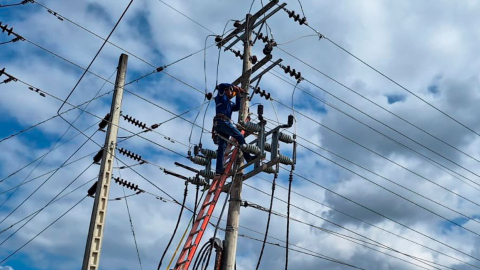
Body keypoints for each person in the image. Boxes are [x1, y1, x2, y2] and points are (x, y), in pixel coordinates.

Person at [213, 83, 255, 176]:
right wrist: (234, 86)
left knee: (222, 147)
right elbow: (221, 86)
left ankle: (219, 170)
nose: (232, 93)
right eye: (231, 91)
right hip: (222, 122)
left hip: (222, 124)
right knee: (239, 136)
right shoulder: (221, 96)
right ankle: (248, 158)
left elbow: (237, 107)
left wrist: (238, 94)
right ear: (226, 90)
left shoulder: (229, 103)